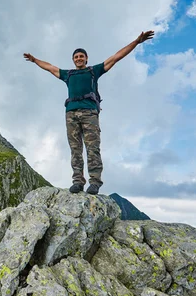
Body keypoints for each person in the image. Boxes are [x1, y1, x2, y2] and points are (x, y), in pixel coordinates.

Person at [24, 31, 154, 194]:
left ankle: (95, 182)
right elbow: (49, 67)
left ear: (86, 59)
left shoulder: (94, 71)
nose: (78, 59)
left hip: (89, 113)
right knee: (75, 149)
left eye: (81, 56)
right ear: (73, 60)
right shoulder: (68, 75)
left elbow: (116, 57)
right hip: (71, 114)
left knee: (93, 147)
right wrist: (35, 60)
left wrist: (136, 41)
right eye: (76, 57)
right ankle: (78, 181)